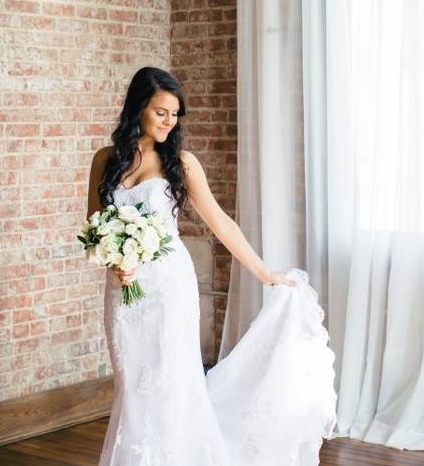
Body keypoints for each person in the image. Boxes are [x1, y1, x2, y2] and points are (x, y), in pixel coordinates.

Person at [88, 66, 336, 466]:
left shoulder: (180, 163)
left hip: (169, 289)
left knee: (170, 384)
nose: (170, 122)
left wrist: (265, 274)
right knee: (131, 385)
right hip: (124, 293)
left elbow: (221, 222)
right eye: (160, 112)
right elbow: (94, 225)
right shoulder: (104, 160)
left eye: (175, 114)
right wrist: (115, 263)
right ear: (137, 109)